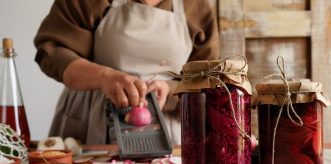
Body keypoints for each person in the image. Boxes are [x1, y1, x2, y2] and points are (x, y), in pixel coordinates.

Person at [34, 0, 220, 145]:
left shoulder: (197, 6)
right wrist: (103, 76)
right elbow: (54, 51)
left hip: (168, 126)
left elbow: (206, 79)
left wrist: (170, 90)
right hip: (91, 119)